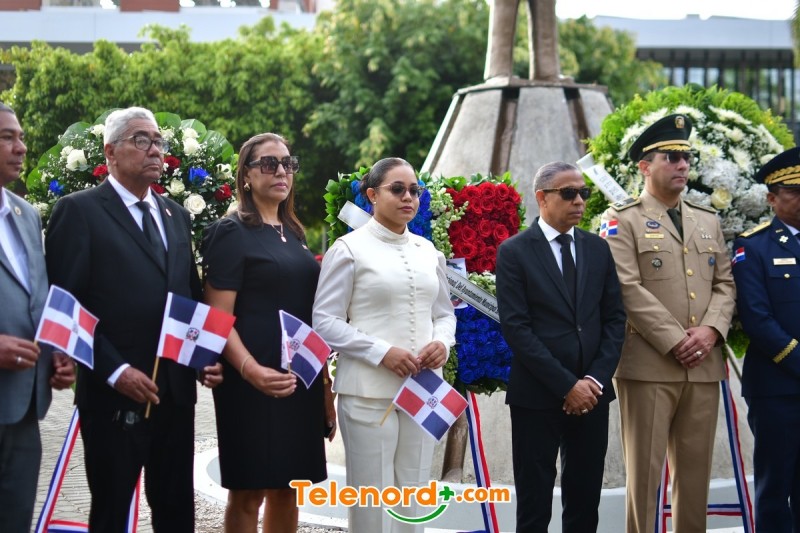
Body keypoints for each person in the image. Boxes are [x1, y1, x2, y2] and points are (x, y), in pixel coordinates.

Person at [45, 106, 222, 532]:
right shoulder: (79, 211)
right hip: (113, 395)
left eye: (158, 141)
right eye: (142, 140)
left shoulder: (175, 214)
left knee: (176, 511)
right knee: (111, 511)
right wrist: (115, 370)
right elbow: (65, 306)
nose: (155, 150)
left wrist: (203, 358)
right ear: (110, 151)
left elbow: (188, 294)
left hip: (174, 392)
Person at [600, 113, 736, 532]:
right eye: (671, 157)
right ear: (645, 166)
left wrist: (710, 331)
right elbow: (625, 287)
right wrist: (676, 339)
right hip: (650, 365)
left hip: (703, 365)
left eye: (686, 158)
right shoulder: (621, 218)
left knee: (696, 478)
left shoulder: (706, 218)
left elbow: (725, 284)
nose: (682, 165)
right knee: (645, 478)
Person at [313, 157, 456, 533]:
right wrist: (381, 352)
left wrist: (442, 342)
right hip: (367, 392)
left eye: (414, 190)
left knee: (414, 495)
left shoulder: (429, 251)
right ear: (372, 195)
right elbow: (325, 321)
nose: (408, 197)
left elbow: (444, 314)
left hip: (424, 391)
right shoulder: (348, 249)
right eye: (398, 189)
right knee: (372, 499)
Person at [202, 133, 335, 533]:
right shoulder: (229, 232)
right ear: (245, 175)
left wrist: (324, 389)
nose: (281, 171)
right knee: (249, 492)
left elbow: (308, 317)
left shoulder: (294, 233)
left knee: (289, 489)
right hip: (250, 380)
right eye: (268, 163)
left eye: (288, 163)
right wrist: (250, 370)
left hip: (299, 380)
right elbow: (216, 317)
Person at [496, 162, 626, 532]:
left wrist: (593, 381)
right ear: (542, 198)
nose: (579, 201)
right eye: (569, 193)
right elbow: (517, 328)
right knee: (534, 504)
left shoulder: (597, 248)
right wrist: (567, 386)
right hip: (537, 394)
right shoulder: (514, 252)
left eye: (584, 193)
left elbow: (614, 319)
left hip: (592, 395)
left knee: (585, 501)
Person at [0, 103, 75, 532]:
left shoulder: (25, 214)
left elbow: (37, 296)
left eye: (21, 137)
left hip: (25, 407)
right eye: (7, 137)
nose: (21, 147)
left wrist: (55, 353)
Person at [732, 146, 800, 532]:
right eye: (795, 192)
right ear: (772, 198)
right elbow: (757, 319)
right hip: (777, 387)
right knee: (776, 484)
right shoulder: (753, 245)